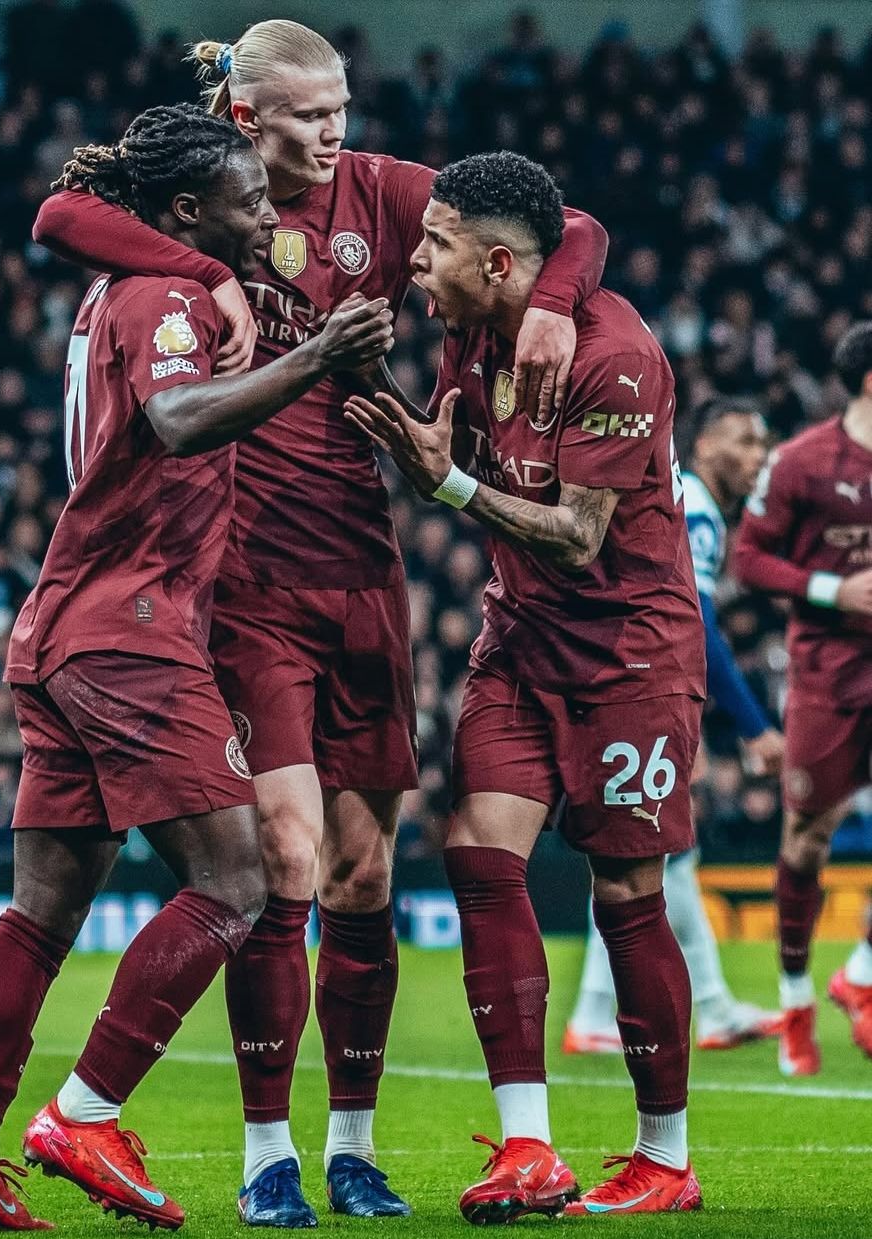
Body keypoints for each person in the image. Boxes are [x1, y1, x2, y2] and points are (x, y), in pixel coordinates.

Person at [30, 20, 609, 1224]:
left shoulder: (382, 194)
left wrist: (554, 303)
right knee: (285, 857)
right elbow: (61, 215)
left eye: (342, 105)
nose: (337, 129)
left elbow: (572, 225)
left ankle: (351, 1147)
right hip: (245, 581)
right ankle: (265, 1155)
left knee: (361, 870)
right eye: (310, 113)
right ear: (248, 119)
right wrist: (208, 278)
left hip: (361, 566)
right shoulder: (206, 204)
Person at [0, 103, 394, 1233]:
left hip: (64, 624)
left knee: (42, 911)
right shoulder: (166, 297)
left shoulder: (113, 291)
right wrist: (317, 356)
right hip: (130, 632)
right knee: (235, 881)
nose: (268, 217)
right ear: (186, 211)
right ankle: (86, 1111)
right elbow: (178, 420)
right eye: (247, 201)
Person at [346, 150, 705, 1219]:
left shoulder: (617, 359)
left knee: (625, 894)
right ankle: (529, 1147)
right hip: (519, 640)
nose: (416, 262)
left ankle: (665, 1158)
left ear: (498, 264)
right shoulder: (476, 328)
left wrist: (451, 483)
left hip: (630, 653)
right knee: (476, 853)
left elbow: (582, 537)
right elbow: (569, 228)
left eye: (437, 246)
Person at [564, 397, 783, 1055]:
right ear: (706, 444)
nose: (759, 457)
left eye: (763, 443)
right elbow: (698, 624)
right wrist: (752, 725)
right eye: (745, 441)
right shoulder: (698, 509)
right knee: (653, 848)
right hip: (636, 683)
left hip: (618, 676)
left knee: (640, 849)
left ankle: (608, 1013)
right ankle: (708, 1007)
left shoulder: (684, 499)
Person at [734, 321, 872, 1077]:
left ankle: (862, 973)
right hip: (829, 671)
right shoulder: (802, 461)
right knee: (807, 839)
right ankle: (795, 1000)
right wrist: (831, 588)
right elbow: (748, 558)